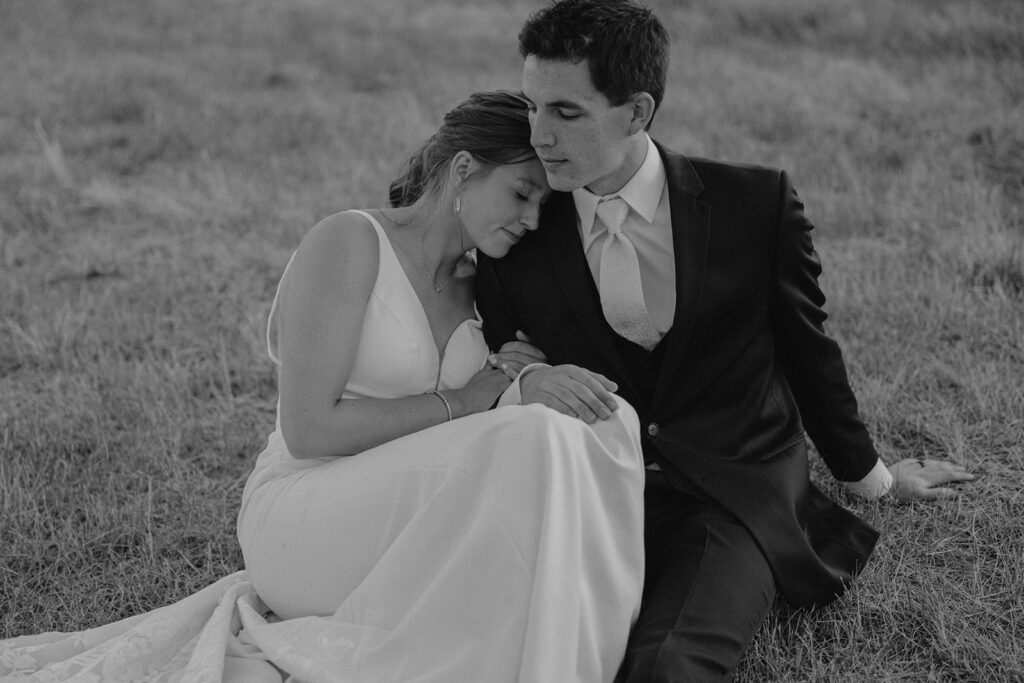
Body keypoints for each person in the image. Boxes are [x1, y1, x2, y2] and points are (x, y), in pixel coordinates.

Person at [0, 91, 648, 682]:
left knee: (591, 423)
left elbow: (504, 391)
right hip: (305, 510)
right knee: (526, 438)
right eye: (522, 193)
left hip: (411, 513)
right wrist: (467, 399)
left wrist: (524, 375)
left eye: (543, 204)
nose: (534, 220)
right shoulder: (351, 241)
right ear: (462, 170)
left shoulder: (490, 284)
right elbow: (309, 429)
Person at [474, 2, 977, 680]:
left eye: (567, 112)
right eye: (532, 105)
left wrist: (875, 478)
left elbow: (808, 350)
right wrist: (521, 376)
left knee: (670, 663)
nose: (538, 134)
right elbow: (498, 349)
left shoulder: (753, 205)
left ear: (636, 112)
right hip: (587, 489)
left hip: (729, 494)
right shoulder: (521, 227)